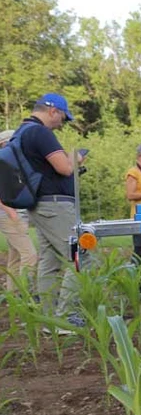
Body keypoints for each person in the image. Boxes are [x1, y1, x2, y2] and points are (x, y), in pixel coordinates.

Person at [18, 93, 82, 325]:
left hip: (39, 205)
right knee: (82, 255)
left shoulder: (22, 132)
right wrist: (77, 158)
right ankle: (66, 317)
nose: (61, 123)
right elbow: (65, 168)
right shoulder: (40, 133)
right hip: (54, 205)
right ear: (53, 110)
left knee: (50, 262)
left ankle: (49, 319)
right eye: (63, 118)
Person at [0, 128, 38, 293]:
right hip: (9, 216)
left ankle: (13, 294)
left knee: (15, 258)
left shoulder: (9, 163)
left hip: (15, 215)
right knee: (30, 256)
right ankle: (26, 293)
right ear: (4, 144)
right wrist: (12, 214)